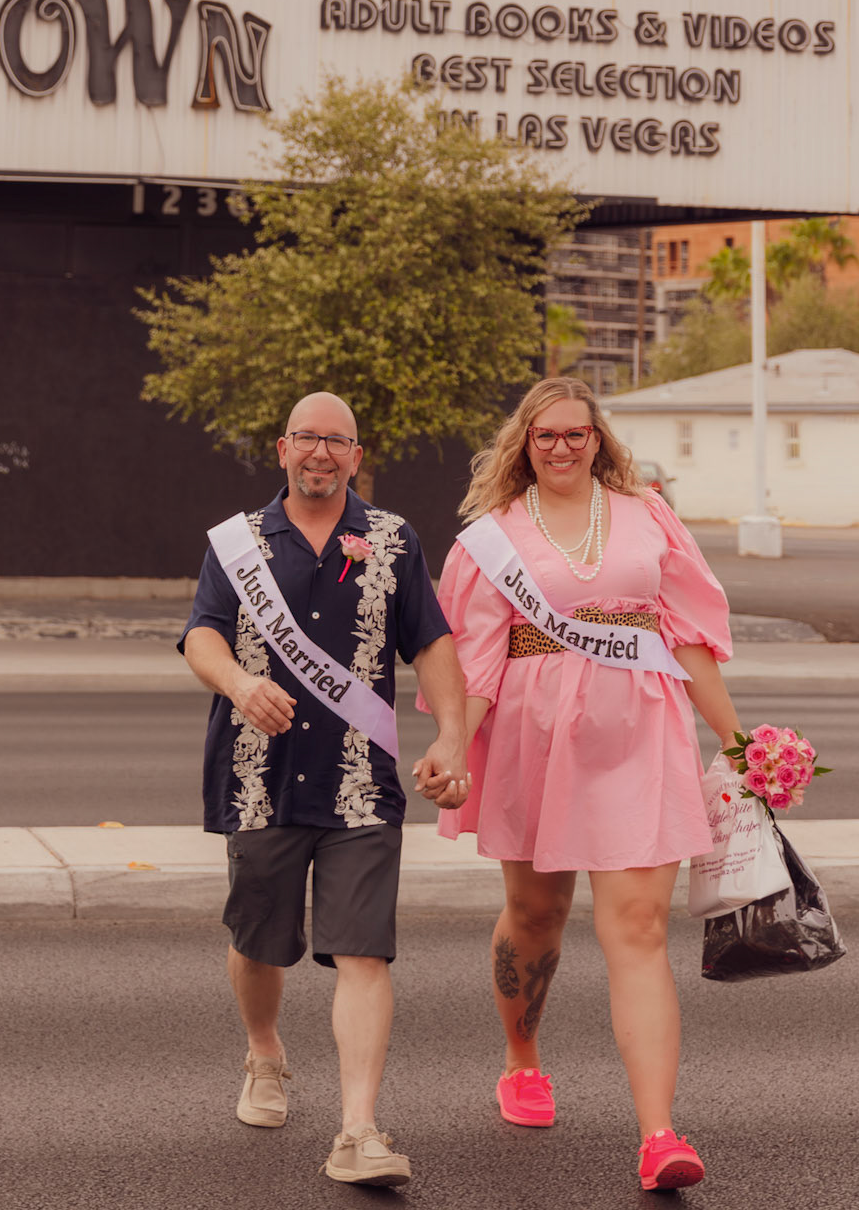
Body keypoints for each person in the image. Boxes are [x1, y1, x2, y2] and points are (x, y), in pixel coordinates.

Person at [424, 375, 740, 1194]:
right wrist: (453, 745)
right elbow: (477, 662)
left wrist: (736, 739)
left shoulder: (646, 514)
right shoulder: (493, 536)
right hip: (536, 741)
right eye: (545, 435)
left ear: (597, 439)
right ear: (523, 444)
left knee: (637, 928)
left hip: (642, 732)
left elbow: (686, 635)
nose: (561, 446)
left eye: (575, 432)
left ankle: (658, 1135)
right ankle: (521, 1059)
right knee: (536, 913)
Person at [181, 390, 469, 1189]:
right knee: (258, 940)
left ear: (355, 455)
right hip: (258, 777)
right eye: (306, 438)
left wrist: (451, 736)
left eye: (336, 441)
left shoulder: (392, 540)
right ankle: (264, 1053)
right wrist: (240, 683)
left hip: (359, 784)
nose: (320, 453)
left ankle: (358, 1130)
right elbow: (200, 634)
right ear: (282, 449)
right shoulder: (238, 542)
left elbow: (432, 643)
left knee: (363, 951)